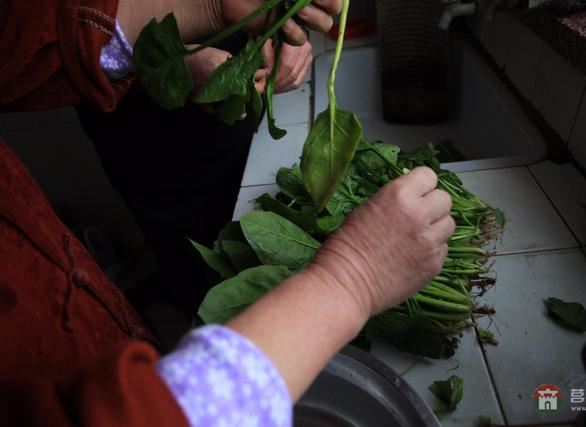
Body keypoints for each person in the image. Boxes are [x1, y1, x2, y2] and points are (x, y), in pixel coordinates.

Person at [0, 1, 455, 426]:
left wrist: (235, 17)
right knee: (191, 257)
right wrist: (351, 279)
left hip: (229, 111)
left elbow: (22, 28)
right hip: (151, 144)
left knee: (235, 230)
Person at [74, 34, 314, 319]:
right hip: (154, 147)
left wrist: (289, 30)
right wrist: (169, 63)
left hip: (243, 103)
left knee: (256, 234)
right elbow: (64, 32)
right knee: (194, 265)